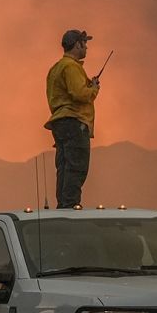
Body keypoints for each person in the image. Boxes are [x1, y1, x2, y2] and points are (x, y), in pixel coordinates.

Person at [44, 29, 100, 208]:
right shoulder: (71, 67)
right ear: (77, 44)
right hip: (74, 122)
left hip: (60, 123)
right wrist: (93, 89)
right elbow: (79, 93)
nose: (87, 47)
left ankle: (63, 206)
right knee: (77, 166)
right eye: (85, 43)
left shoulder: (55, 68)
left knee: (64, 166)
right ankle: (70, 206)